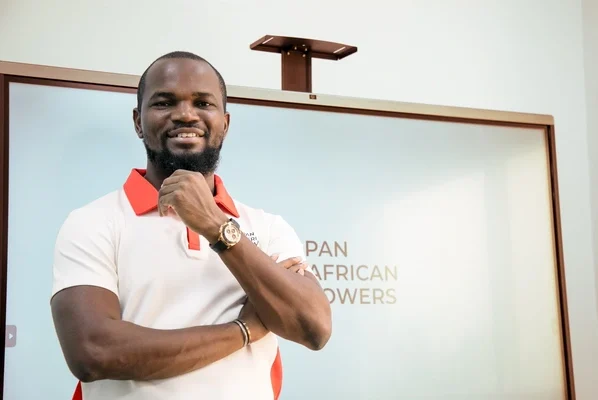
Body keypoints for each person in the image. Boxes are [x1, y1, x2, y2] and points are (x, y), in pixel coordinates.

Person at [50, 51, 332, 400]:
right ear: (138, 122)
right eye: (164, 102)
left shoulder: (269, 227)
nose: (185, 114)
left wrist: (216, 226)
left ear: (225, 123)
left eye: (203, 103)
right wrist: (242, 330)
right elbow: (94, 352)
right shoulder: (93, 222)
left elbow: (313, 329)